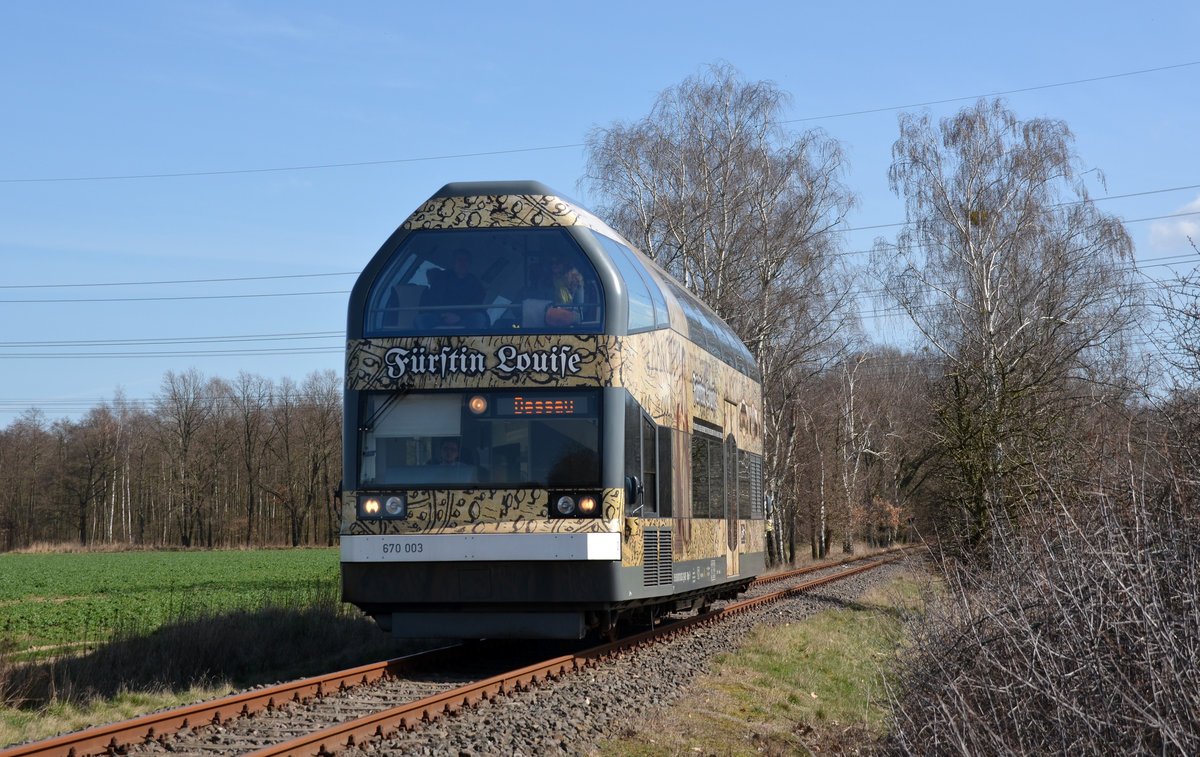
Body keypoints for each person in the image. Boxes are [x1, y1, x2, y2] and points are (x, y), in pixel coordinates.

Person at [420, 249, 486, 327]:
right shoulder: (441, 278)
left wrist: (459, 316)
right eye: (459, 260)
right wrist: (443, 314)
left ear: (470, 263)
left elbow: (476, 304)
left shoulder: (475, 283)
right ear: (453, 262)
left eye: (466, 260)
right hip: (440, 317)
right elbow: (432, 299)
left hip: (464, 318)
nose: (463, 263)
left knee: (479, 319)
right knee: (421, 319)